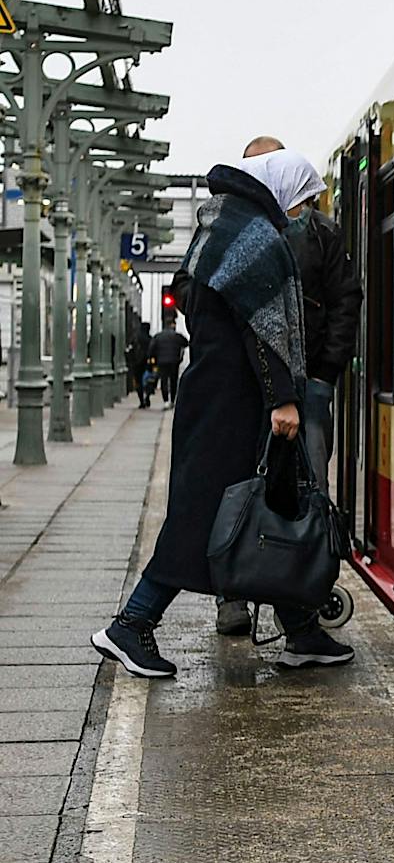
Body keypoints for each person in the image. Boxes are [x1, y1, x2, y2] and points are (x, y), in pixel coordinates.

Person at [91, 150, 353, 678]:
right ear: (279, 189)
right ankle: (131, 624)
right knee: (211, 515)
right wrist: (283, 396)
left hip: (219, 394)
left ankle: (301, 631)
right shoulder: (254, 235)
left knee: (262, 508)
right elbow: (264, 326)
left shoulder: (225, 224)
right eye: (302, 200)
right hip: (232, 402)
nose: (303, 212)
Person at [215, 135, 362, 639]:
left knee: (307, 489)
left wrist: (325, 374)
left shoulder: (321, 234)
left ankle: (300, 600)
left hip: (307, 386)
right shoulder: (231, 230)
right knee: (241, 485)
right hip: (248, 388)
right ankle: (235, 593)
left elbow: (346, 302)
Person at [151, 316, 188, 402]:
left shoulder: (158, 336)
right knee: (173, 380)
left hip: (162, 361)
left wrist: (154, 359)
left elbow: (152, 348)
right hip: (174, 361)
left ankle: (165, 400)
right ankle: (172, 399)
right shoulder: (177, 336)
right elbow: (186, 343)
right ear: (172, 325)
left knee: (164, 380)